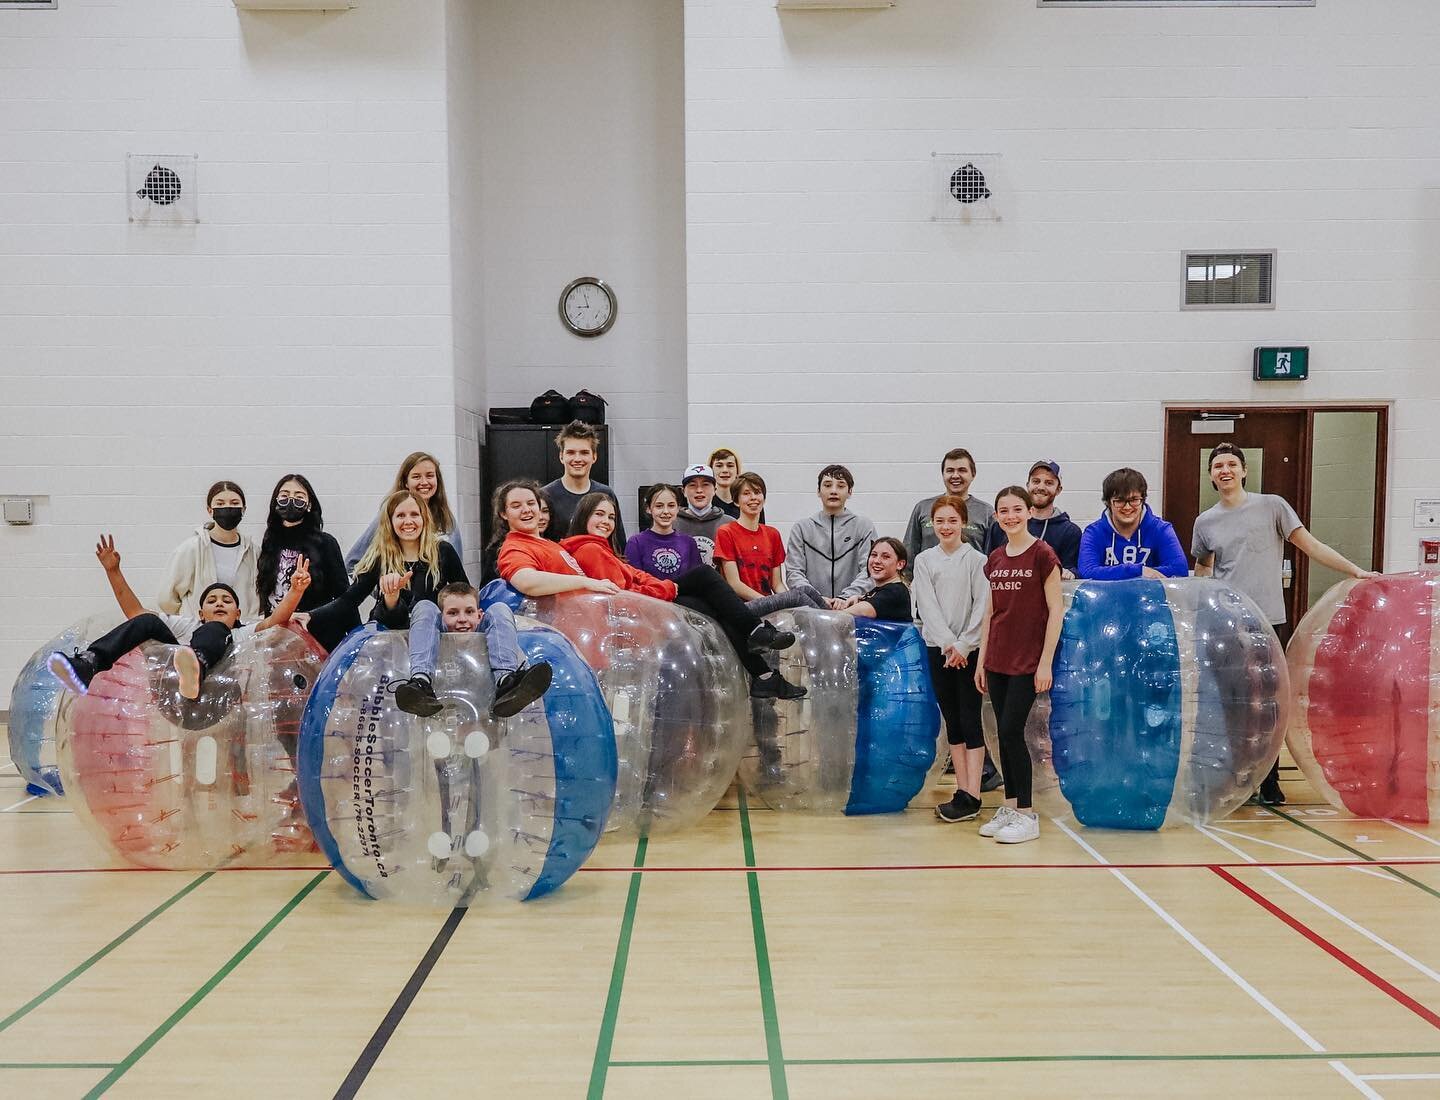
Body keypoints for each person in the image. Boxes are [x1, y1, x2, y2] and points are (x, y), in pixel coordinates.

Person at [1192, 441, 1377, 804]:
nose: (1225, 470)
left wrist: (1354, 569)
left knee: (1271, 703)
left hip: (1268, 622)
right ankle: (1239, 778)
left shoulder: (1273, 506)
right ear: (1211, 476)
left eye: (1231, 463)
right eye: (1217, 466)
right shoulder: (1205, 522)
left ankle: (1270, 778)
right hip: (1229, 624)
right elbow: (1203, 571)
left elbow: (1310, 545)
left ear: (1244, 470)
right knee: (1235, 703)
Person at [561, 492, 805, 699]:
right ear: (584, 517)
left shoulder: (602, 549)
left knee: (715, 610)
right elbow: (621, 595)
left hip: (652, 600)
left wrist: (662, 585)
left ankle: (764, 675)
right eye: (599, 514)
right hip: (645, 611)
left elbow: (637, 576)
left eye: (611, 516)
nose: (606, 521)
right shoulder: (591, 549)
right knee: (703, 576)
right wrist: (667, 588)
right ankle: (756, 631)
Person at [50, 534, 309, 701]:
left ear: (238, 613)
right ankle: (89, 663)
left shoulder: (243, 631)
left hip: (220, 701)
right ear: (200, 613)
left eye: (227, 601)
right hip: (173, 700)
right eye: (212, 601)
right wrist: (114, 571)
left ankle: (198, 664)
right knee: (148, 622)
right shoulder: (188, 626)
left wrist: (296, 590)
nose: (219, 603)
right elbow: (136, 616)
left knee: (218, 630)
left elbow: (275, 620)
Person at [976, 486, 1064, 844]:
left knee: (1013, 731)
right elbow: (990, 612)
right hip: (997, 657)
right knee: (1003, 733)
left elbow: (1055, 611)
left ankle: (1028, 814)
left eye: (1016, 509)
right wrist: (982, 659)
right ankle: (1011, 807)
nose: (1010, 516)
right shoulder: (995, 557)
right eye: (1003, 511)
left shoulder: (1043, 554)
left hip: (1028, 660)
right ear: (997, 516)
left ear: (1029, 512)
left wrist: (1045, 662)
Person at [910, 498, 992, 823]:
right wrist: (947, 644)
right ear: (933, 524)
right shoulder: (924, 560)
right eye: (940, 521)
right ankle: (963, 789)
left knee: (971, 719)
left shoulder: (977, 560)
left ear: (963, 523)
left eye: (952, 520)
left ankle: (974, 793)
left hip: (969, 652)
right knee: (953, 720)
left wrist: (964, 645)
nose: (946, 527)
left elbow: (982, 607)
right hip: (939, 650)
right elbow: (926, 606)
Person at [714, 472, 827, 616]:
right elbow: (734, 584)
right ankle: (829, 624)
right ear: (736, 501)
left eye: (757, 492)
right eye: (746, 493)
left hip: (767, 602)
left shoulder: (772, 534)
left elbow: (777, 583)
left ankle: (832, 623)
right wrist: (773, 602)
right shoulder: (726, 532)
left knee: (806, 591)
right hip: (742, 606)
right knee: (796, 597)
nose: (753, 498)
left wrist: (788, 607)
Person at [158, 480, 259, 619]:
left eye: (235, 503)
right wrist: (191, 621)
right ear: (210, 510)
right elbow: (167, 599)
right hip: (199, 634)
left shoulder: (254, 552)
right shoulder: (191, 549)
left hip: (241, 634)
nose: (228, 507)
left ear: (244, 509)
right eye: (220, 503)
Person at [346, 451, 462, 572]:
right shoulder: (388, 516)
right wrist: (377, 586)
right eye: (416, 477)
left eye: (429, 475)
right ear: (405, 482)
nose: (424, 482)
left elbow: (457, 574)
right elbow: (352, 562)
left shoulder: (447, 521)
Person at [255, 473, 349, 615]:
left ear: (309, 504)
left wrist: (356, 632)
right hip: (274, 630)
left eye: (299, 497)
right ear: (276, 502)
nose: (291, 500)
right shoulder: (270, 541)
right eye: (284, 496)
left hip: (312, 630)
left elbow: (344, 596)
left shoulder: (325, 543)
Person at [785, 464, 879, 605]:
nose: (834, 491)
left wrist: (845, 598)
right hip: (811, 610)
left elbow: (870, 570)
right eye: (828, 485)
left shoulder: (864, 526)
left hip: (853, 609)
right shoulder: (802, 528)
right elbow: (794, 573)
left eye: (841, 486)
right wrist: (816, 599)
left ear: (850, 492)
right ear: (818, 491)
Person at [1077, 468, 1189, 580]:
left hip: (1152, 596)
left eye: (1134, 500)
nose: (1127, 507)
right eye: (1119, 500)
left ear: (1143, 500)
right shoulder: (1094, 532)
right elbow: (1087, 571)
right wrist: (1139, 571)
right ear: (1108, 503)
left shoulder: (1161, 529)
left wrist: (1112, 574)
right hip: (1107, 597)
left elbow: (1179, 570)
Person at [983, 460, 1082, 578]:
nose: (1041, 487)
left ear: (1058, 489)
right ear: (1028, 485)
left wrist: (1070, 573)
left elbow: (1072, 570)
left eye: (1049, 483)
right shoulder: (1005, 525)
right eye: (1036, 481)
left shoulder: (1070, 531)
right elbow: (989, 568)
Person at [904, 448, 994, 561]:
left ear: (973, 474)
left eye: (962, 470)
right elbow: (909, 553)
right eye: (950, 470)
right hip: (928, 577)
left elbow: (993, 557)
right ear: (943, 474)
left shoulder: (986, 512)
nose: (955, 475)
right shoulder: (923, 508)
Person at [542, 420, 625, 542]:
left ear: (594, 456)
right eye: (570, 452)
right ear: (561, 456)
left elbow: (619, 543)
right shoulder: (546, 496)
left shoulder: (606, 494)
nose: (577, 459)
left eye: (584, 453)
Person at [626, 484, 703, 582]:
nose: (666, 511)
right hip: (648, 596)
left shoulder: (689, 543)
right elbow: (634, 581)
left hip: (682, 596)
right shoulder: (636, 542)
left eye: (671, 506)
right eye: (659, 506)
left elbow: (697, 580)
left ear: (678, 508)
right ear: (649, 509)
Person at [842, 537, 914, 623]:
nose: (877, 561)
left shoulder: (896, 591)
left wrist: (833, 614)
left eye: (886, 557)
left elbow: (863, 611)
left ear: (900, 564)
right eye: (874, 555)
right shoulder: (879, 590)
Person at [673, 464, 730, 567]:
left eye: (705, 485)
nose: (699, 490)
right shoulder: (671, 523)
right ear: (683, 491)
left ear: (714, 490)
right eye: (692, 485)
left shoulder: (730, 524)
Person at [708, 447, 744, 519]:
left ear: (737, 471)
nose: (725, 470)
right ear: (711, 470)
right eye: (719, 466)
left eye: (730, 465)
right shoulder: (705, 503)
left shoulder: (748, 502)